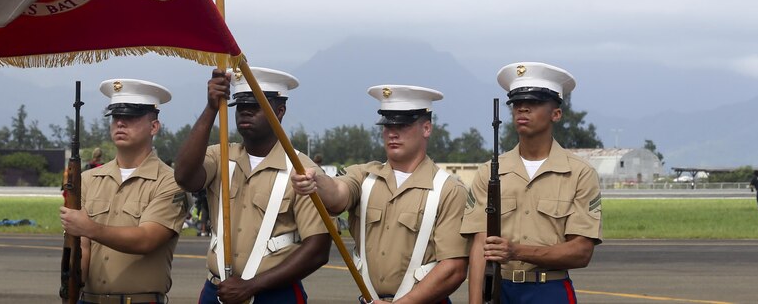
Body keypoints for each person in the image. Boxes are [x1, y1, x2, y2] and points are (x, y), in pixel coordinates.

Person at [292, 85, 470, 304]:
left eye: (403, 125)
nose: (392, 133)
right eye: (387, 125)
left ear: (426, 128)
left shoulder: (448, 190)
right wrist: (316, 180)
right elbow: (338, 193)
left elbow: (454, 269)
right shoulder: (364, 176)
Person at [175, 67, 331, 304]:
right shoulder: (221, 157)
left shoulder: (302, 170)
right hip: (217, 290)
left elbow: (318, 249)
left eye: (256, 106)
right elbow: (184, 177)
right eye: (241, 105)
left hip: (274, 294)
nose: (246, 112)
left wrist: (252, 286)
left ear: (280, 111)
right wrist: (210, 108)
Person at [461, 63, 602, 304]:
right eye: (516, 104)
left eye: (534, 103)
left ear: (556, 114)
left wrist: (517, 251)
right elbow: (479, 248)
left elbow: (581, 252)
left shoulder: (579, 173)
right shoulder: (489, 172)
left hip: (549, 290)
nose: (522, 109)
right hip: (498, 289)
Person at [59, 79, 187, 303]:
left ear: (154, 127)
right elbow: (83, 248)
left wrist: (90, 228)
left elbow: (147, 239)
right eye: (116, 117)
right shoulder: (88, 179)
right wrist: (72, 286)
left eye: (131, 117)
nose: (120, 123)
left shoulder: (169, 182)